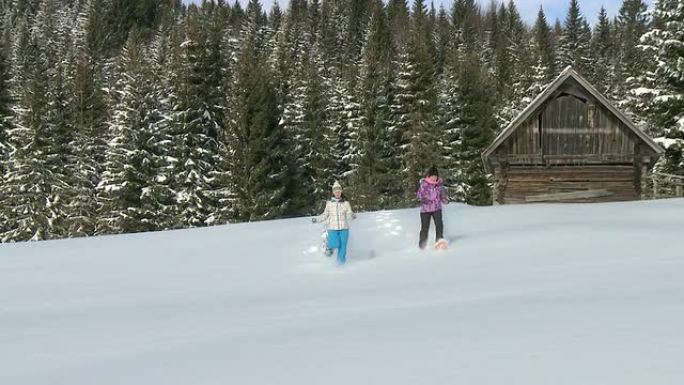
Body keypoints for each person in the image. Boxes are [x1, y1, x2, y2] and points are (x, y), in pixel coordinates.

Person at [316, 181, 356, 265]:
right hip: (332, 228)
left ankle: (340, 264)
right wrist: (317, 219)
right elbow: (325, 214)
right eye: (335, 191)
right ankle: (328, 248)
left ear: (341, 192)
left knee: (343, 247)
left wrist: (351, 215)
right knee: (334, 244)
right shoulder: (329, 203)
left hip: (344, 228)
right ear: (333, 193)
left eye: (339, 191)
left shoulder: (346, 203)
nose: (337, 193)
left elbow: (349, 212)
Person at [416, 166, 448, 249]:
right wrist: (423, 199)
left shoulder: (439, 185)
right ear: (429, 176)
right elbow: (419, 195)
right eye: (432, 176)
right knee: (425, 228)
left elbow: (442, 196)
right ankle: (422, 245)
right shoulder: (424, 184)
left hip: (437, 208)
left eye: (435, 176)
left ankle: (439, 242)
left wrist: (445, 200)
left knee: (439, 224)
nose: (434, 177)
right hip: (425, 210)